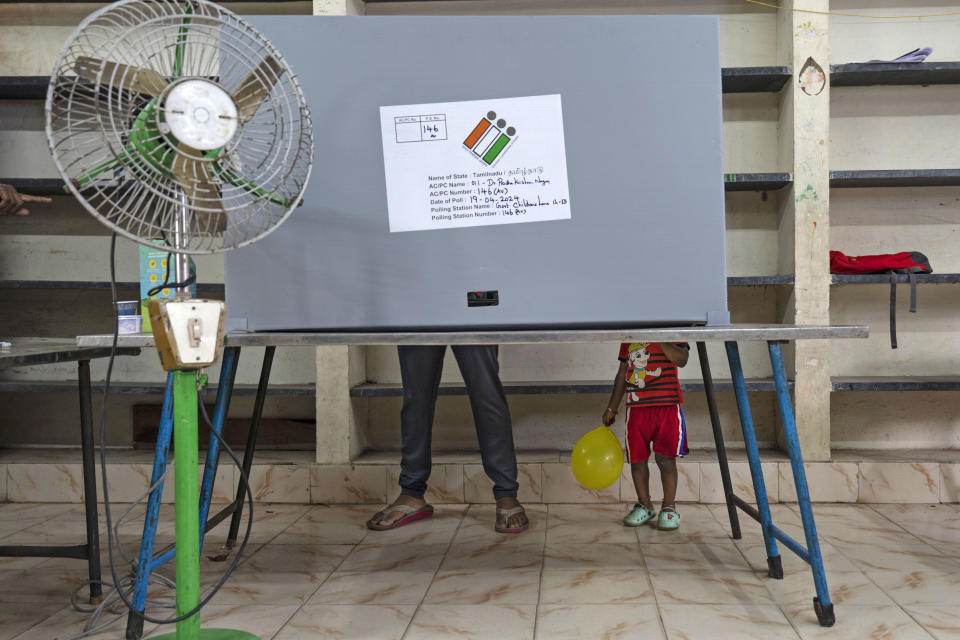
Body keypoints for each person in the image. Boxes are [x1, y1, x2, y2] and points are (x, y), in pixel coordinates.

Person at [367, 345, 528, 533]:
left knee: (486, 391)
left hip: (471, 315)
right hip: (417, 316)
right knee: (416, 397)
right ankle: (411, 493)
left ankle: (506, 492)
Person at [602, 341, 690, 530]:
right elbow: (622, 373)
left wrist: (657, 336)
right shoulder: (630, 336)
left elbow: (681, 360)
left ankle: (669, 508)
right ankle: (645, 505)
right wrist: (612, 407)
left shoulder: (673, 332)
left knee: (666, 460)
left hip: (666, 408)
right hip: (637, 410)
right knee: (637, 460)